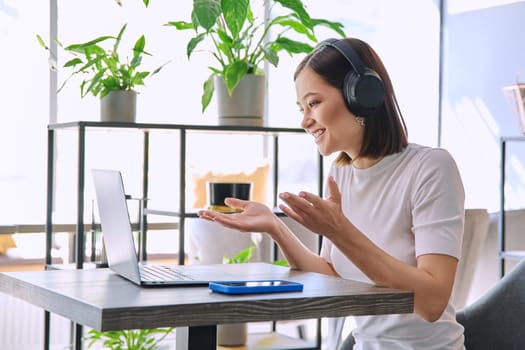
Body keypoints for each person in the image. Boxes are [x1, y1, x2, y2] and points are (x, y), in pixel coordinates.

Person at [198, 37, 465, 350]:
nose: (305, 120)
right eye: (302, 107)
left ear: (362, 95)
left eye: (313, 103)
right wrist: (275, 227)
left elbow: (432, 302)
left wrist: (340, 230)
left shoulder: (430, 168)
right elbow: (333, 274)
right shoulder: (342, 173)